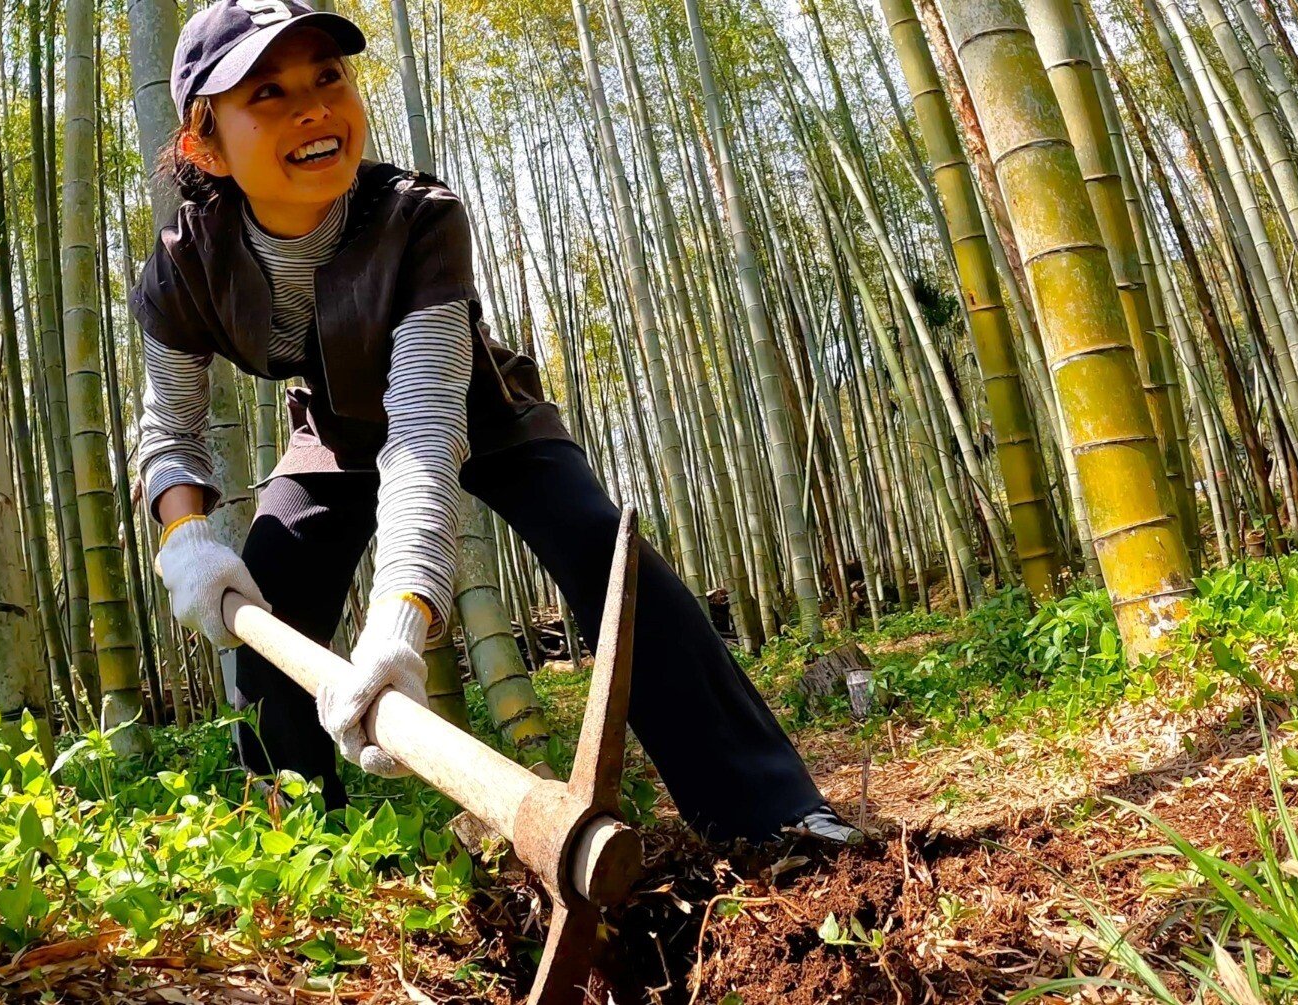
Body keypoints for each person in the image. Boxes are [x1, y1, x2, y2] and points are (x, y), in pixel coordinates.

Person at [133, 0, 859, 844]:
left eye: (328, 77)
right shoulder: (185, 263)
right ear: (205, 145)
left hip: (478, 402)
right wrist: (184, 536)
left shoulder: (416, 217)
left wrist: (404, 607)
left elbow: (424, 425)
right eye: (267, 94)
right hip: (330, 429)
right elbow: (170, 428)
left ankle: (770, 811)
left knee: (600, 548)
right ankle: (301, 846)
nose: (314, 109)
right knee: (272, 602)